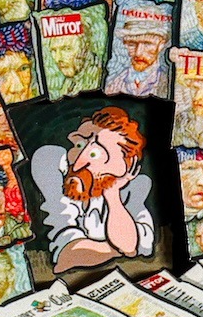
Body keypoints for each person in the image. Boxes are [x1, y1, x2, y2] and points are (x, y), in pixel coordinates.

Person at [29, 105, 155, 272]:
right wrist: (115, 250)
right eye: (79, 145)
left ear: (127, 165)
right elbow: (66, 256)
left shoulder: (134, 190)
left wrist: (113, 197)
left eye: (95, 154)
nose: (79, 163)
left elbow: (130, 245)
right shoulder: (53, 165)